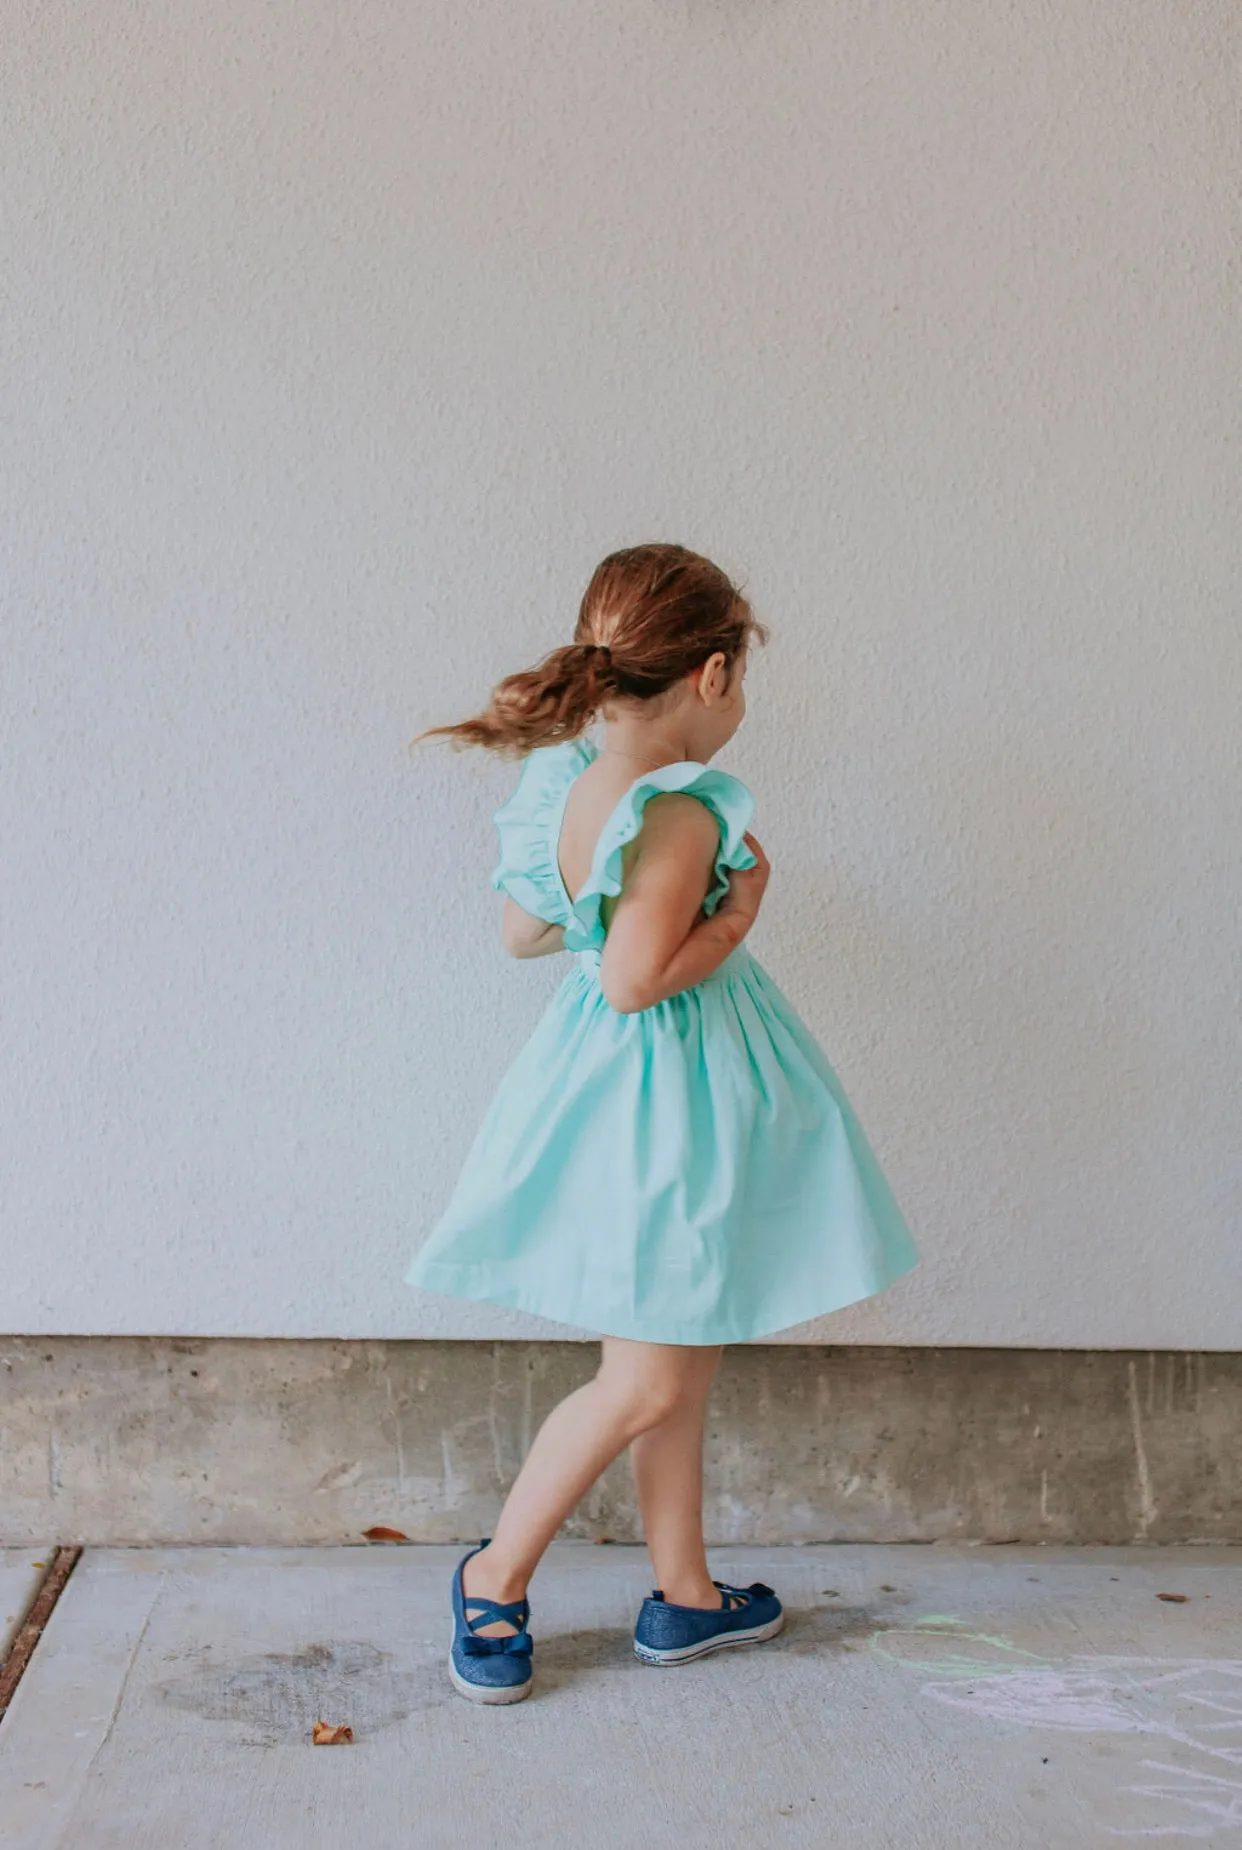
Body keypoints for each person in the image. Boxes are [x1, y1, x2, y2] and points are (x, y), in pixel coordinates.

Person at [406, 542, 919, 1703]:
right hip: (666, 1105)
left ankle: (686, 1593)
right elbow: (640, 977)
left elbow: (525, 933)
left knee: (672, 1358)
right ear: (713, 673)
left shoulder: (572, 782)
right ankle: (495, 1571)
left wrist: (606, 902)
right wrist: (737, 914)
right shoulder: (680, 811)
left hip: (607, 1088)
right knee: (643, 1377)